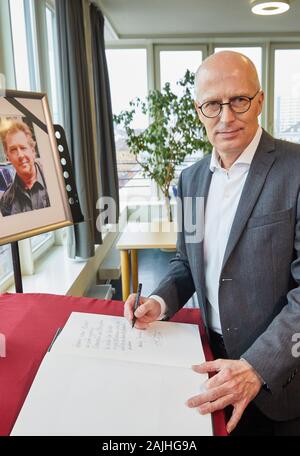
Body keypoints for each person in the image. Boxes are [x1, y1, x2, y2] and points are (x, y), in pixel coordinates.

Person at [124, 51, 300, 436]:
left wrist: (257, 366)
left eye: (239, 100)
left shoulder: (295, 169)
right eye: (211, 105)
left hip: (281, 378)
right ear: (198, 109)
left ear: (260, 101)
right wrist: (158, 301)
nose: (226, 117)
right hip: (208, 358)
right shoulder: (190, 181)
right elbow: (186, 263)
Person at [0, 120, 50, 216]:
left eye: (23, 148)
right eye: (13, 150)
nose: (20, 155)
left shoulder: (53, 183)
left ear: (32, 149)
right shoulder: (6, 201)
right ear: (8, 156)